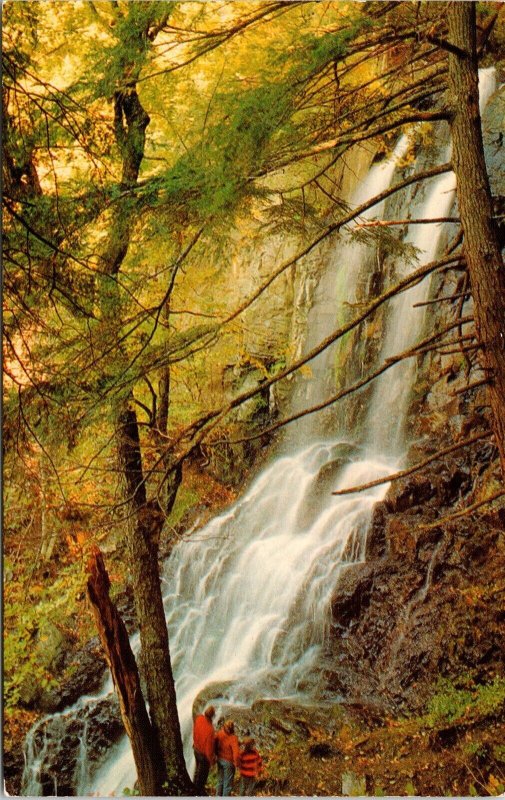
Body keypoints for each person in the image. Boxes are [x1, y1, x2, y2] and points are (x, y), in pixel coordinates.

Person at [193, 705, 216, 795]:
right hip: (203, 755)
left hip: (196, 749)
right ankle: (198, 792)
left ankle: (194, 785)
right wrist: (211, 761)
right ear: (212, 716)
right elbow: (209, 749)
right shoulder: (210, 730)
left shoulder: (199, 719)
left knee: (197, 771)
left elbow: (194, 731)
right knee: (202, 776)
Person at [215, 719, 240, 796]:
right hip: (228, 763)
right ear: (232, 728)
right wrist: (237, 764)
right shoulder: (233, 738)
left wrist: (215, 755)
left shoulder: (219, 734)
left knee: (220, 782)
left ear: (224, 726)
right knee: (227, 786)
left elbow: (214, 744)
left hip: (219, 760)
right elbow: (236, 754)